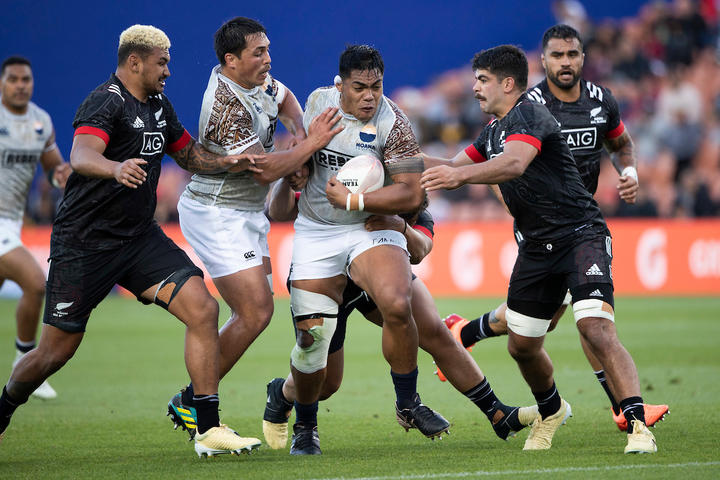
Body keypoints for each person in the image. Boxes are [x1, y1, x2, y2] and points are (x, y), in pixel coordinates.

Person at [0, 25, 263, 457]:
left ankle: (208, 427)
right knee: (54, 351)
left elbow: (187, 153)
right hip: (85, 243)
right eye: (162, 62)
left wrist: (230, 162)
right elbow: (82, 156)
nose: (168, 71)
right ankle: (5, 409)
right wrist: (115, 168)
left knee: (203, 308)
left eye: (169, 62)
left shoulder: (158, 104)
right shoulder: (105, 101)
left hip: (139, 238)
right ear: (134, 62)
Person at [421, 45, 657, 454]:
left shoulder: (530, 114)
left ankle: (638, 426)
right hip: (536, 247)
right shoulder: (493, 131)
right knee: (522, 345)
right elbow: (448, 163)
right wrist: (390, 157)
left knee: (595, 328)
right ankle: (551, 411)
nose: (475, 89)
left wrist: (459, 179)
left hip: (580, 234)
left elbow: (513, 164)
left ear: (507, 83)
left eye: (482, 80)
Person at [261, 172, 537, 452]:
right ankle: (283, 394)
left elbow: (421, 250)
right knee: (327, 384)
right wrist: (286, 177)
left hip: (379, 278)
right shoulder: (352, 191)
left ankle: (496, 413)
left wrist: (401, 226)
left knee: (436, 333)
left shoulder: (414, 214)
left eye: (414, 212)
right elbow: (279, 209)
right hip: (331, 283)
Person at [165, 17, 342, 438]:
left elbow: (285, 99)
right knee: (255, 310)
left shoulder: (256, 80)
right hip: (217, 212)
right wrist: (309, 146)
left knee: (254, 312)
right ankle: (193, 401)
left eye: (267, 49)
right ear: (231, 60)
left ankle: (192, 398)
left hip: (246, 212)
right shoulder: (224, 107)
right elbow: (262, 170)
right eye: (258, 52)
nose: (267, 59)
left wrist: (298, 136)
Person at [285, 45, 448, 455]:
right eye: (359, 87)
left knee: (397, 301)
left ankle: (408, 402)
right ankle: (305, 426)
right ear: (341, 86)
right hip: (318, 229)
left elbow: (411, 195)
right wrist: (299, 166)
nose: (369, 96)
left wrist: (357, 202)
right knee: (313, 339)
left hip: (368, 225)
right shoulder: (319, 104)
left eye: (376, 86)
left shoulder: (394, 123)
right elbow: (299, 151)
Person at [0, 56, 71, 400]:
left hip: (11, 221)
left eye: (25, 79)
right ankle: (27, 367)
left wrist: (65, 176)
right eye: (12, 79)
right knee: (34, 282)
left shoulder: (40, 121)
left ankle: (25, 368)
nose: (19, 85)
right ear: (3, 83)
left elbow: (53, 168)